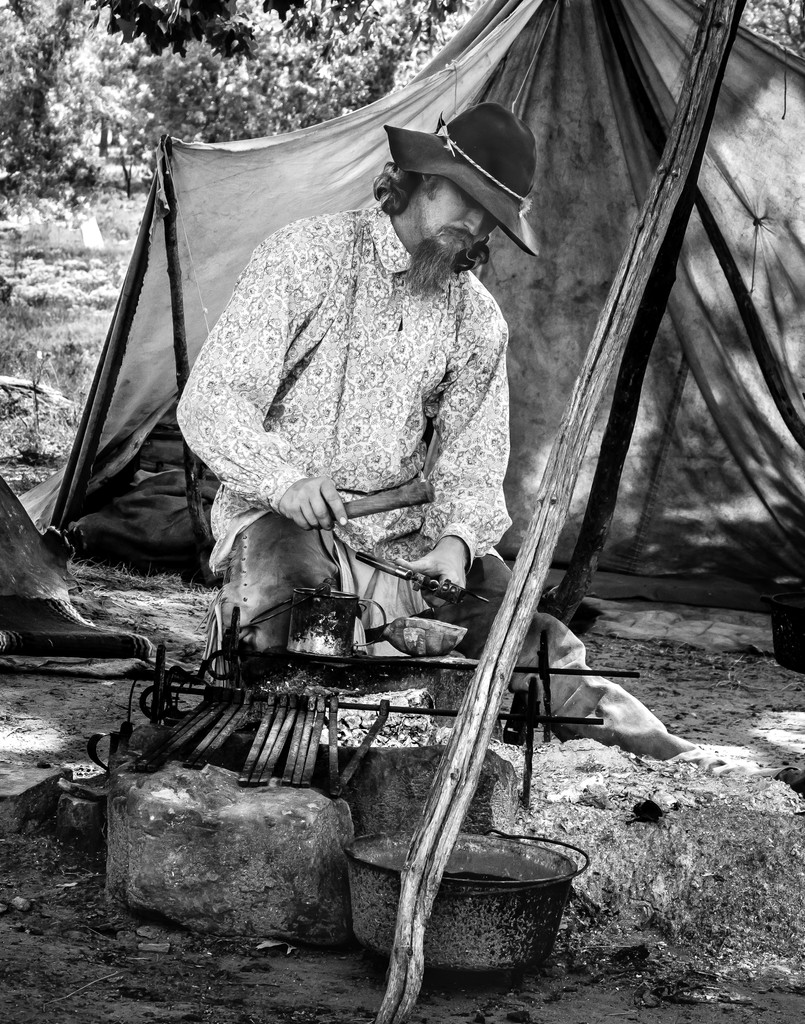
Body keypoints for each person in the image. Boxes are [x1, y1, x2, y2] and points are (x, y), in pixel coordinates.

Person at [176, 104, 745, 766]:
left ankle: (670, 762)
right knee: (298, 641)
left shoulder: (475, 320)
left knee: (527, 645)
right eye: (464, 196)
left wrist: (454, 544)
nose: (472, 224)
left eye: (490, 213)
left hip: (409, 543)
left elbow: (471, 466)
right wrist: (285, 482)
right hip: (284, 521)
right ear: (419, 175)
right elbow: (213, 400)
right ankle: (289, 772)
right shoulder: (305, 255)